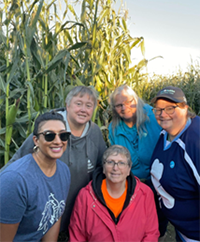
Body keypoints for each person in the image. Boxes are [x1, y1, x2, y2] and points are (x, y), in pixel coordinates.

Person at [0, 86, 107, 232]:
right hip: (42, 214)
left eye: (89, 106)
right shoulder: (49, 129)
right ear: (67, 105)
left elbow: (103, 165)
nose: (83, 109)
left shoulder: (94, 132)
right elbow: (18, 159)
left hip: (76, 212)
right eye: (78, 104)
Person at [0, 112, 71, 242]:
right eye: (49, 136)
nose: (58, 141)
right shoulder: (15, 180)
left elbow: (54, 217)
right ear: (36, 141)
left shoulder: (63, 171)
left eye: (63, 135)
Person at [68, 145, 159, 242]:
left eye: (121, 163)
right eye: (110, 162)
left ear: (129, 169)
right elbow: (77, 236)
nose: (115, 168)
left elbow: (151, 233)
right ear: (103, 168)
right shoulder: (86, 196)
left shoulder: (145, 193)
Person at [150, 86, 200, 242]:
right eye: (158, 109)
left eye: (170, 108)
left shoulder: (195, 141)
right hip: (182, 232)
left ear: (185, 108)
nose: (163, 114)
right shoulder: (165, 133)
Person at [108, 84, 161, 181]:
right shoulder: (113, 129)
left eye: (128, 102)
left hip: (159, 179)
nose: (124, 108)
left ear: (136, 100)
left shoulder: (154, 117)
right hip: (131, 183)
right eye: (119, 105)